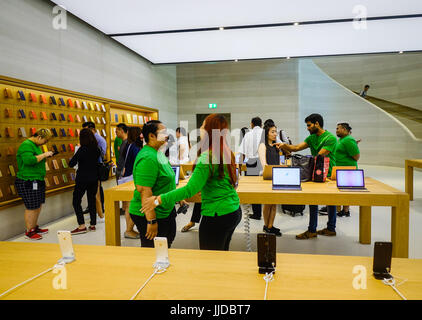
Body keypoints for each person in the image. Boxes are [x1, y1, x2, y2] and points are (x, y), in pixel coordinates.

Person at [142, 114, 242, 251]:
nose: (200, 128)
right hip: (233, 210)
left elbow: (190, 190)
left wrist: (158, 199)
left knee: (210, 257)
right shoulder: (226, 151)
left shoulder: (207, 156)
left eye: (202, 125)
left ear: (209, 130)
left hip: (217, 215)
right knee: (222, 254)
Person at [279, 113, 338, 240]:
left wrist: (300, 160)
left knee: (331, 202)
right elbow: (297, 147)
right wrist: (284, 145)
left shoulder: (331, 138)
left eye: (309, 125)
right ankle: (313, 230)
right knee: (313, 201)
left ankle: (330, 228)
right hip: (314, 174)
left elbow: (319, 157)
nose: (307, 128)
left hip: (328, 175)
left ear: (317, 124)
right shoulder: (311, 138)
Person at [128, 120, 178, 248]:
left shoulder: (158, 153)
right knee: (153, 251)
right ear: (151, 136)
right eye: (163, 133)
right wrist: (151, 220)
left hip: (165, 210)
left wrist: (178, 198)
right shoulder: (148, 158)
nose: (167, 135)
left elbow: (168, 179)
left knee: (165, 246)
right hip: (150, 214)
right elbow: (145, 191)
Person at [15, 129, 54, 240]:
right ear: (39, 137)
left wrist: (44, 156)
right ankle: (29, 231)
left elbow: (37, 159)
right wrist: (44, 154)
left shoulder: (35, 145)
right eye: (45, 141)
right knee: (31, 206)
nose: (44, 144)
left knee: (38, 204)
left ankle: (34, 227)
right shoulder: (26, 145)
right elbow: (29, 161)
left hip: (37, 179)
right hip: (28, 180)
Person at [69, 128, 101, 235]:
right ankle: (93, 225)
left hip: (82, 178)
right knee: (91, 200)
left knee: (76, 201)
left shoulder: (82, 149)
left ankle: (81, 225)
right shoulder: (96, 149)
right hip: (94, 178)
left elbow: (71, 163)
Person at [258, 124, 282, 236]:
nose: (275, 134)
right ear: (266, 133)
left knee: (274, 203)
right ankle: (266, 225)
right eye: (272, 132)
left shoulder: (276, 146)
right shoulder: (263, 146)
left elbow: (279, 163)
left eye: (276, 132)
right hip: (268, 178)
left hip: (277, 177)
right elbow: (264, 164)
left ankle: (270, 226)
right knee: (267, 203)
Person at [121, 126, 143, 239]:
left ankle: (129, 229)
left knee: (129, 205)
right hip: (131, 178)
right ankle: (129, 230)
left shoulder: (129, 145)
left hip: (128, 176)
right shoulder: (135, 147)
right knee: (131, 205)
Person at [239, 117, 263, 220]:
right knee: (264, 187)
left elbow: (242, 153)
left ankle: (257, 213)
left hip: (251, 162)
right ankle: (264, 211)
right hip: (263, 162)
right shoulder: (265, 133)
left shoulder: (248, 134)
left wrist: (239, 167)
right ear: (261, 124)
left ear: (252, 124)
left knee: (253, 189)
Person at [335, 122, 360, 217]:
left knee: (346, 191)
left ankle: (345, 211)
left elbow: (356, 157)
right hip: (340, 169)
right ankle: (340, 209)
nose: (336, 130)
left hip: (348, 169)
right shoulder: (342, 139)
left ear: (345, 130)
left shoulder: (348, 140)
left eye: (338, 128)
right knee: (341, 190)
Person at [82, 122, 106, 221]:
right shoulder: (89, 138)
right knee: (92, 189)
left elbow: (102, 153)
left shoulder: (99, 139)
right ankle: (93, 208)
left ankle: (100, 209)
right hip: (90, 167)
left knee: (97, 189)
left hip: (96, 166)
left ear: (92, 129)